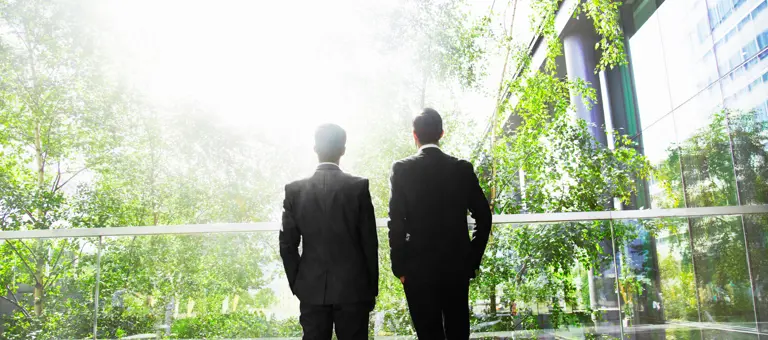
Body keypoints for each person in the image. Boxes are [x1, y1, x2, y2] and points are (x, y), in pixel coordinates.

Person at [388, 108, 492, 340]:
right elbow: (484, 217)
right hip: (456, 268)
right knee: (457, 333)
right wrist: (472, 259)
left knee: (428, 334)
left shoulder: (401, 169)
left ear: (414, 136)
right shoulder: (461, 169)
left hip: (416, 270)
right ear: (442, 133)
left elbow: (396, 223)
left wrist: (400, 268)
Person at [280, 124, 378, 340]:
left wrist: (298, 283)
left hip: (311, 288)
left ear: (315, 148)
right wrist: (371, 288)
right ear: (343, 150)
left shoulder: (294, 191)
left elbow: (287, 245)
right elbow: (370, 243)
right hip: (354, 288)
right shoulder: (358, 187)